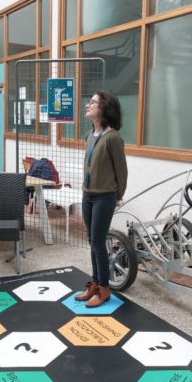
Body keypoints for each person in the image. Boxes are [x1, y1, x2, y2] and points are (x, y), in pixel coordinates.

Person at [75, 91, 128, 308]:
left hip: (104, 197)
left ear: (104, 109)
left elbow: (121, 172)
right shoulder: (90, 135)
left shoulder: (113, 138)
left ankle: (104, 289)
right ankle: (95, 284)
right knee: (92, 241)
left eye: (93, 102)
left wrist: (118, 196)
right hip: (88, 194)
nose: (88, 105)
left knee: (98, 242)